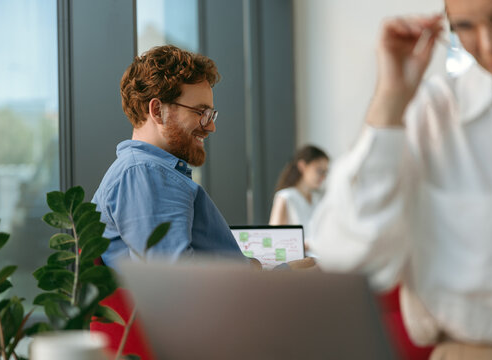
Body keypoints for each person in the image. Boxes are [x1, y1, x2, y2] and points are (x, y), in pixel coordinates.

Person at [309, 0, 492, 358]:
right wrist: (391, 100)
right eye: (465, 27)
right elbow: (347, 260)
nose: (490, 45)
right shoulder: (435, 114)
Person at [92, 45, 249, 269]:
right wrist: (279, 275)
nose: (211, 126)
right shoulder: (145, 173)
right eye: (200, 113)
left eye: (211, 114)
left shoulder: (146, 171)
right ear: (157, 111)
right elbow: (176, 285)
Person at [269, 145, 329, 238]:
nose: (323, 177)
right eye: (319, 170)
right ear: (302, 166)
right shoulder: (286, 197)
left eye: (325, 172)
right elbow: (273, 239)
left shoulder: (317, 199)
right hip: (296, 252)